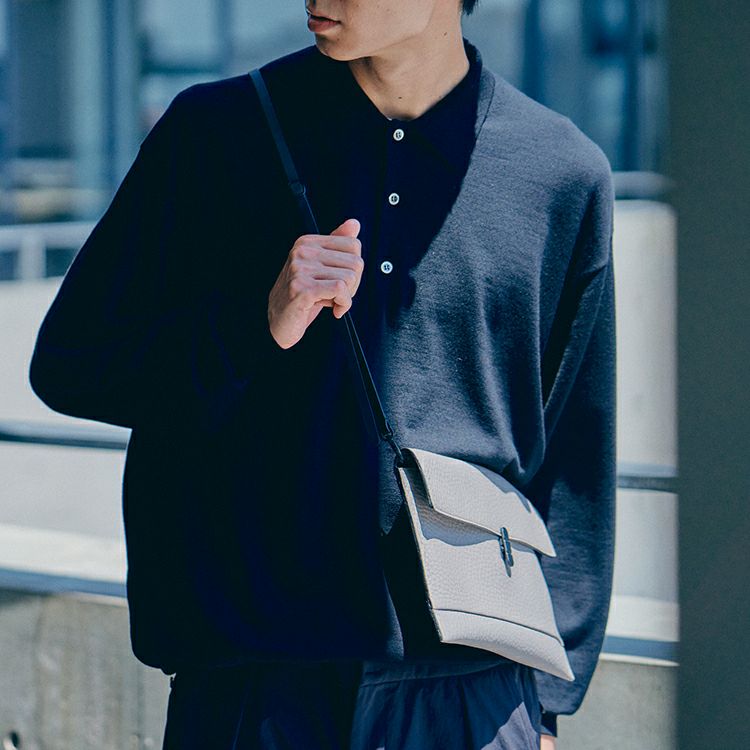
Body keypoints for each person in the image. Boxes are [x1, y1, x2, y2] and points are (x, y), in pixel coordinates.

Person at [28, 0, 617, 747]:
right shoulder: (216, 132)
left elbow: (575, 458)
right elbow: (72, 363)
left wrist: (550, 707)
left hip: (475, 694)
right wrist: (256, 326)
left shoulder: (560, 174)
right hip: (254, 688)